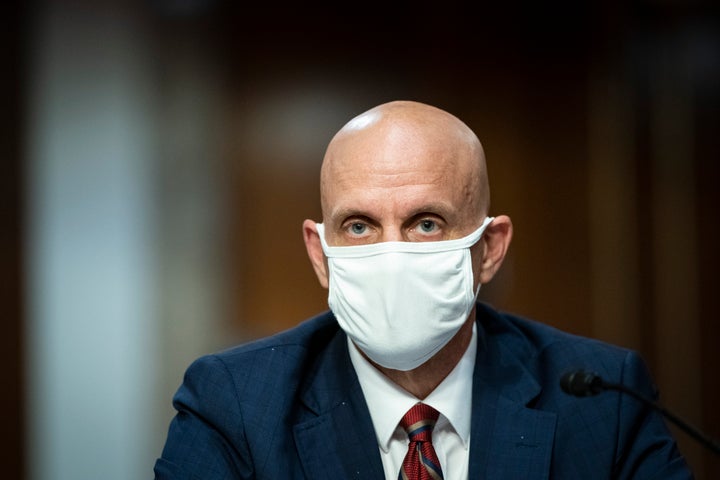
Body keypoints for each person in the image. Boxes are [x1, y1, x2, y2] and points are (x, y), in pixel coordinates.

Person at [154, 100, 692, 479]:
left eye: (426, 223)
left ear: (489, 249)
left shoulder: (603, 401)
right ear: (321, 255)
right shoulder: (237, 406)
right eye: (360, 226)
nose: (392, 254)